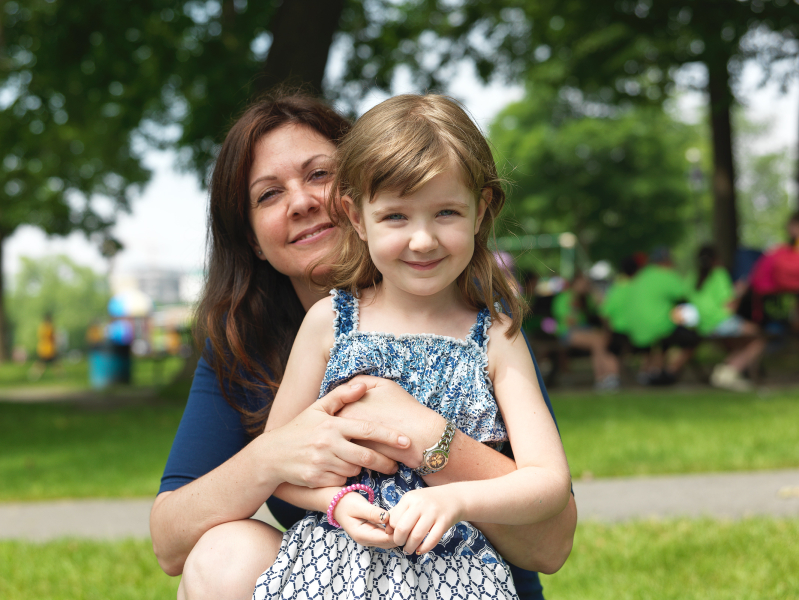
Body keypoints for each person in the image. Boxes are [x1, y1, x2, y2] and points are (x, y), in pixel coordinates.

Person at [149, 93, 577, 600]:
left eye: (317, 174)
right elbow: (266, 469)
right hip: (338, 574)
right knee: (224, 555)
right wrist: (328, 496)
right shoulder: (322, 325)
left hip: (460, 577)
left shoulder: (494, 335)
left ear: (479, 212)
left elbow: (549, 501)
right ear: (361, 214)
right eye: (268, 194)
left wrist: (436, 456)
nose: (422, 240)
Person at [690, 245, 766, 392]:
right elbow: (729, 308)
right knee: (758, 337)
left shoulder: (692, 276)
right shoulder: (719, 274)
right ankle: (728, 372)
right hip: (720, 323)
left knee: (741, 343)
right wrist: (739, 292)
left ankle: (731, 371)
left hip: (702, 326)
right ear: (716, 259)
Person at [624, 246, 700, 385]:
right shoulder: (667, 275)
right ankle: (669, 372)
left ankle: (650, 371)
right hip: (657, 327)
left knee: (665, 338)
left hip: (635, 328)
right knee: (692, 338)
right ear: (667, 261)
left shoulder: (641, 275)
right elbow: (686, 299)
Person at [552, 272, 620, 391]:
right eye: (582, 283)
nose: (585, 286)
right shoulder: (564, 297)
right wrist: (574, 307)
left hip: (585, 331)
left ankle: (607, 377)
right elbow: (568, 321)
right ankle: (604, 377)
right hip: (567, 333)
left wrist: (595, 294)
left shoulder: (586, 299)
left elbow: (603, 310)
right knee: (598, 342)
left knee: (601, 340)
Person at [28, 312, 58, 381]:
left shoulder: (41, 327)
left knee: (43, 363)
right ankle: (60, 376)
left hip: (42, 348)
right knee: (53, 363)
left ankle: (34, 374)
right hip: (49, 349)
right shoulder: (50, 327)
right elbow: (52, 338)